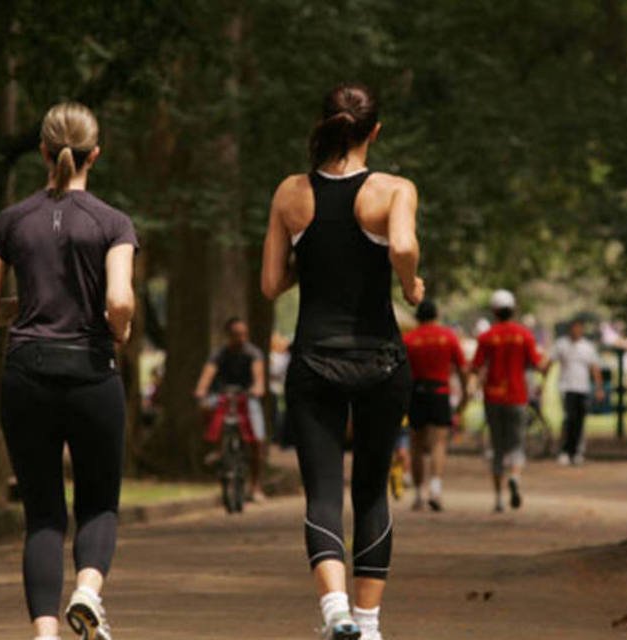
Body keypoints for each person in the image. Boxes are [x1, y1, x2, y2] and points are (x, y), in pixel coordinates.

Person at [261, 82, 422, 640]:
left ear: (324, 124)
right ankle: (370, 624)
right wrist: (410, 283)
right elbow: (401, 247)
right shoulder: (394, 190)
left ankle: (335, 610)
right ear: (374, 131)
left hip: (314, 359)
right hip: (380, 358)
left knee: (323, 491)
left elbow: (271, 283)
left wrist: (315, 255)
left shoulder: (290, 193)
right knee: (372, 490)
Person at [0, 101, 137, 640]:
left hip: (27, 373)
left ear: (43, 152)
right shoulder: (113, 222)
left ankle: (44, 633)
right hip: (90, 371)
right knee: (99, 502)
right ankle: (88, 590)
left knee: (43, 514)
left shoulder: (11, 221)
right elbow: (118, 299)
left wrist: (30, 308)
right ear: (97, 154)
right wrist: (120, 329)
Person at [469, 290, 546, 513]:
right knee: (516, 444)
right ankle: (514, 476)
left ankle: (498, 499)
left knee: (497, 446)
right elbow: (537, 364)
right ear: (513, 309)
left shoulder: (486, 337)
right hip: (517, 396)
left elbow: (476, 366)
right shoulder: (524, 335)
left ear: (494, 311)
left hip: (493, 396)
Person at [402, 299, 467, 512]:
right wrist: (465, 393)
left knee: (417, 444)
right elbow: (462, 368)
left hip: (416, 393)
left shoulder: (409, 339)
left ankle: (419, 493)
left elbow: (400, 372)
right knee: (439, 442)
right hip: (440, 392)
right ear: (436, 316)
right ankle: (436, 489)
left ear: (417, 317)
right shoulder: (448, 337)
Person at [194, 316, 268, 501]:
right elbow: (207, 375)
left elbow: (258, 376)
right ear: (228, 335)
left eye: (244, 334)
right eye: (236, 334)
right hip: (222, 396)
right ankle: (218, 448)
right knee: (205, 407)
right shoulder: (219, 354)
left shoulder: (253, 353)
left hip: (247, 397)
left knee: (257, 440)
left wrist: (258, 388)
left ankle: (256, 485)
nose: (241, 338)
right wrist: (201, 390)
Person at [552, 318, 604, 466]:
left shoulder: (587, 347)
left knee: (580, 421)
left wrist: (599, 388)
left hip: (583, 388)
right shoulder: (561, 345)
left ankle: (577, 451)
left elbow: (595, 368)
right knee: (570, 419)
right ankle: (565, 450)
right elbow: (550, 362)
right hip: (567, 388)